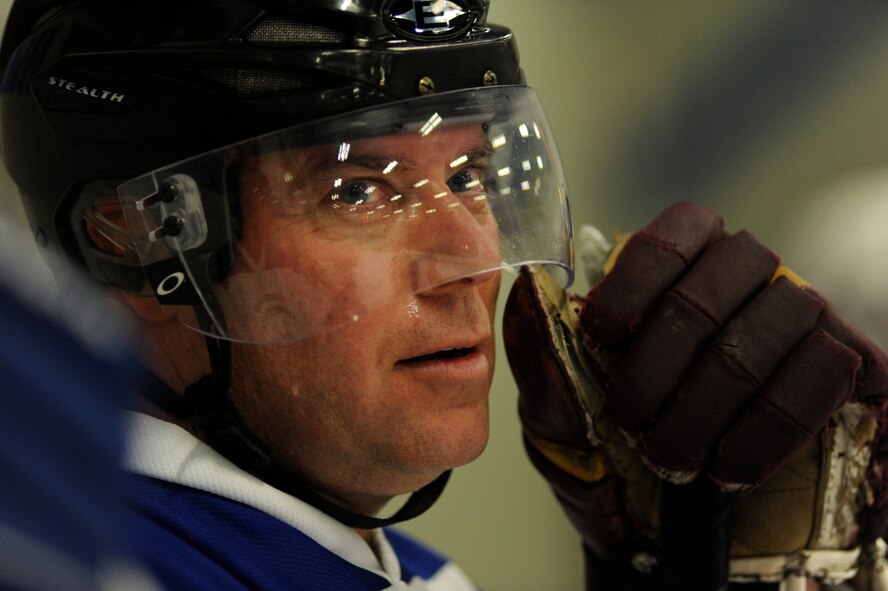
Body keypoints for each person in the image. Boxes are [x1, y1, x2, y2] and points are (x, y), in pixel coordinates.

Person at [1, 1, 886, 590]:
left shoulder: (386, 565)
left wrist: (693, 562)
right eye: (359, 189)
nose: (473, 251)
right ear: (135, 238)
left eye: (472, 171)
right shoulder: (84, 563)